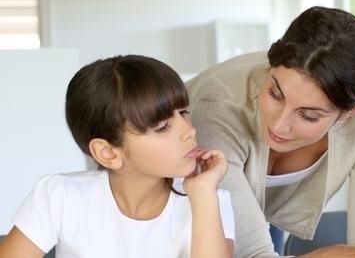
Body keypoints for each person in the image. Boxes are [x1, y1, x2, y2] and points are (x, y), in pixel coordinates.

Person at [186, 6, 355, 258]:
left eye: (308, 115)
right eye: (275, 94)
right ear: (270, 65)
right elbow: (254, 254)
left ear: (350, 112)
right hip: (182, 217)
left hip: (267, 213)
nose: (278, 126)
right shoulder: (219, 107)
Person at [0, 55, 235, 258]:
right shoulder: (60, 196)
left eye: (184, 113)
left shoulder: (209, 200)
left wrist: (204, 194)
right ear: (108, 153)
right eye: (163, 126)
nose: (190, 131)